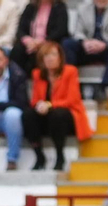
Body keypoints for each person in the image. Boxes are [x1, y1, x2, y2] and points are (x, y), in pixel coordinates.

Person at [26, 40, 88, 170]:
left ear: (60, 57)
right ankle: (39, 156)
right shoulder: (37, 74)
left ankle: (60, 155)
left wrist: (49, 104)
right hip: (46, 114)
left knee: (57, 114)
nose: (49, 58)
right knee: (28, 115)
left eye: (53, 55)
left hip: (67, 114)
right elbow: (35, 100)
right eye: (46, 55)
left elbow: (72, 100)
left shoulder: (70, 71)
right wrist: (39, 105)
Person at [63, 0, 108, 102]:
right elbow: (78, 32)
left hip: (107, 48)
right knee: (67, 43)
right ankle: (73, 85)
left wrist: (105, 44)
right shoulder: (83, 8)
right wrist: (85, 42)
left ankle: (104, 86)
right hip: (88, 47)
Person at [9, 0, 67, 75]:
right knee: (17, 50)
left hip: (49, 42)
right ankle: (17, 79)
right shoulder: (30, 7)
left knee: (45, 52)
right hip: (30, 43)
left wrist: (41, 42)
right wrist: (28, 41)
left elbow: (60, 31)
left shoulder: (59, 7)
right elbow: (20, 30)